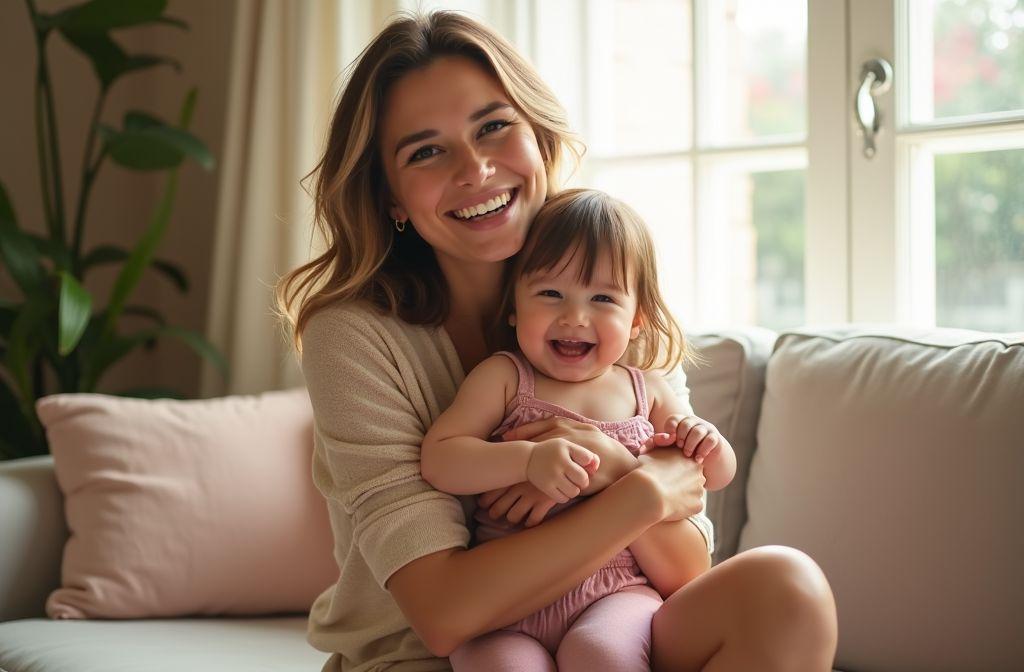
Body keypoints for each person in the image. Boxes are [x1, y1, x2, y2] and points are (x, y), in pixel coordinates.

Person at [277, 10, 838, 672]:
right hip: (446, 660)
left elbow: (684, 570)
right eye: (426, 151)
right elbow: (444, 615)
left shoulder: (607, 291)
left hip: (615, 635)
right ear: (391, 196)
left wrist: (607, 465)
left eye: (493, 127)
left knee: (786, 588)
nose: (477, 168)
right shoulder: (354, 337)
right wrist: (642, 491)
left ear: (539, 137)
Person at [421, 188, 737, 671]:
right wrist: (526, 459)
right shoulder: (505, 377)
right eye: (550, 293)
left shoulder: (646, 390)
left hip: (616, 594)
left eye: (603, 298)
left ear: (637, 320)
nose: (574, 317)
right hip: (509, 601)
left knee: (603, 655)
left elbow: (709, 476)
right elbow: (441, 458)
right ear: (513, 306)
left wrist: (704, 440)